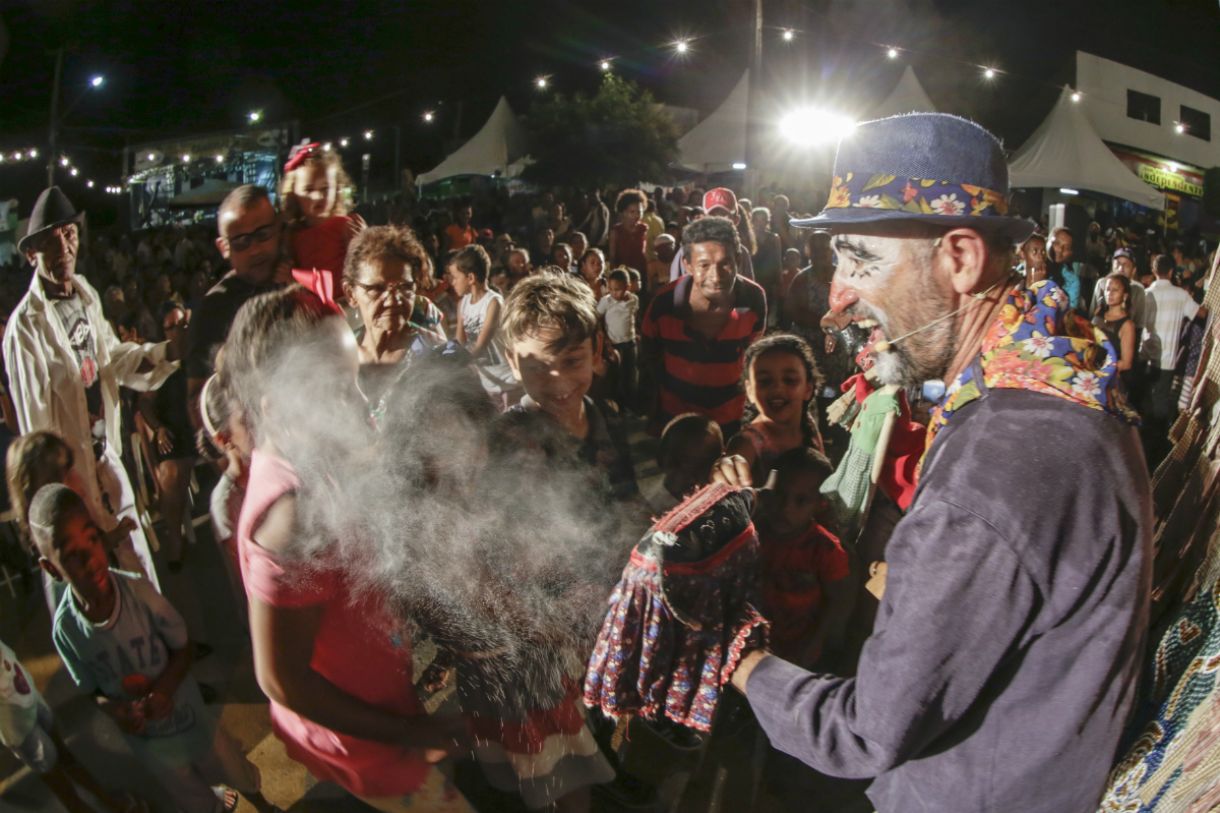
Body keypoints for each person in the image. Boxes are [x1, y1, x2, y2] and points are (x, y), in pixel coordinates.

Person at [724, 113, 1150, 813]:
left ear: (960, 258)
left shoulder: (996, 466)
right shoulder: (1056, 365)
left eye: (860, 260)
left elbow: (864, 732)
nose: (836, 301)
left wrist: (740, 659)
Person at [224, 286, 474, 811]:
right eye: (338, 390)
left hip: (376, 711)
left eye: (355, 377)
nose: (360, 402)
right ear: (279, 405)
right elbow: (280, 678)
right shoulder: (291, 515)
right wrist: (409, 731)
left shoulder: (312, 453)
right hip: (366, 746)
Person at [32, 483, 273, 813]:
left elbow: (183, 646)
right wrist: (113, 709)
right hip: (150, 744)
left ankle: (264, 805)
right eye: (72, 555)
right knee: (194, 799)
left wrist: (164, 690)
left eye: (92, 539)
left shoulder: (138, 592)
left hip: (192, 721)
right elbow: (90, 688)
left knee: (231, 768)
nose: (90, 559)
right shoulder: (67, 631)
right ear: (50, 568)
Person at [4, 187, 175, 593]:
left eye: (69, 234)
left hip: (104, 455)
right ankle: (120, 650)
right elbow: (36, 432)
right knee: (92, 578)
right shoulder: (24, 329)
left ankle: (164, 636)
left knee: (136, 552)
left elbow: (111, 360)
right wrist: (67, 491)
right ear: (32, 253)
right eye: (51, 239)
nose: (63, 246)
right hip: (71, 477)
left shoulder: (85, 294)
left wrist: (167, 351)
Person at [496, 273, 638, 504]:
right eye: (538, 367)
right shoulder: (503, 441)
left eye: (572, 361)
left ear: (596, 349)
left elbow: (629, 498)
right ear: (513, 362)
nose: (559, 381)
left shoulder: (608, 417)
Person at [642, 216, 767, 438]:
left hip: (731, 418)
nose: (716, 276)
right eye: (704, 265)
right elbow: (650, 357)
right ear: (687, 265)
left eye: (725, 263)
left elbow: (751, 355)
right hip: (677, 418)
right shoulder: (663, 304)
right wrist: (654, 409)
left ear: (738, 259)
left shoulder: (754, 298)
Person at [184, 185, 283, 430]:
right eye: (241, 242)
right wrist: (231, 458)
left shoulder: (303, 277)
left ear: (279, 227)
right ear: (223, 247)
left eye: (263, 235)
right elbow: (198, 401)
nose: (255, 249)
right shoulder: (212, 309)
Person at [0, 635, 136, 812]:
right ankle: (94, 806)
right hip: (20, 730)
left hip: (31, 700)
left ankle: (109, 802)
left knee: (65, 757)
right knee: (60, 783)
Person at [756, 447, 851, 669]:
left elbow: (836, 601)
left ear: (820, 504)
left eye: (801, 501)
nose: (785, 508)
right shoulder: (753, 535)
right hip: (754, 644)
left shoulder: (826, 550)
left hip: (800, 650)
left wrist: (816, 642)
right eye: (780, 495)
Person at [341, 226, 446, 423]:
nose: (393, 300)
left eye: (405, 287)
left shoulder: (436, 354)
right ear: (350, 294)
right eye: (377, 289)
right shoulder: (341, 357)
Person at [136, 303, 195, 571]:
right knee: (171, 472)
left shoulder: (198, 350)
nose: (179, 331)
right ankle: (175, 537)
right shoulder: (161, 363)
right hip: (175, 430)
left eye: (183, 323)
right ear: (164, 331)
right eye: (172, 326)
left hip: (204, 426)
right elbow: (145, 404)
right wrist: (158, 427)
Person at [725, 333, 825, 486]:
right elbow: (728, 475)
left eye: (790, 380)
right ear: (750, 391)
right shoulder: (747, 444)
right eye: (765, 381)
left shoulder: (808, 424)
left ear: (808, 389)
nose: (778, 388)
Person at [1142, 253, 1206, 465]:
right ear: (1171, 271)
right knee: (1161, 402)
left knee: (1146, 399)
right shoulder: (1180, 295)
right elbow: (1201, 314)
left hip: (1146, 356)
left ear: (1154, 270)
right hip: (1167, 359)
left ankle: (1143, 442)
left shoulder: (1146, 293)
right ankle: (1157, 450)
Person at [446, 244, 520, 402]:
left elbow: (479, 347)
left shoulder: (493, 303)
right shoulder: (463, 304)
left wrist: (449, 367)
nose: (452, 283)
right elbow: (459, 343)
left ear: (470, 278)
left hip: (509, 382)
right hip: (488, 384)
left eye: (455, 277)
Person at [279, 141, 362, 276]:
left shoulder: (345, 226)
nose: (318, 196)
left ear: (337, 189)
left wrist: (363, 241)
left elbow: (365, 266)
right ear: (293, 194)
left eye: (325, 188)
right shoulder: (292, 235)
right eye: (308, 189)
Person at [642, 412, 724, 515]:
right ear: (664, 460)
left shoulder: (719, 499)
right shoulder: (652, 512)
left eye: (704, 464)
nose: (694, 477)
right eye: (685, 462)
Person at [668, 189, 757, 282]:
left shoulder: (742, 253)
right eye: (713, 215)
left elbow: (748, 292)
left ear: (736, 220)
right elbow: (676, 291)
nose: (717, 221)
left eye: (723, 215)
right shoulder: (688, 252)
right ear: (703, 218)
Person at [597, 267, 639, 412]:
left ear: (627, 287)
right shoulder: (606, 301)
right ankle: (617, 408)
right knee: (616, 377)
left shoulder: (634, 300)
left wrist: (636, 332)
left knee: (631, 375)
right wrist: (605, 340)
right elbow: (597, 319)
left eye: (618, 289)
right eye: (611, 289)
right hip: (614, 345)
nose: (614, 292)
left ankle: (631, 406)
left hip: (630, 343)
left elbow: (633, 317)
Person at [1092, 273, 1139, 393]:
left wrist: (1102, 369)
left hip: (1110, 381)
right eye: (1107, 289)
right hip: (1090, 373)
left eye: (1115, 290)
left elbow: (1126, 363)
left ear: (1125, 296)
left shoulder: (1127, 326)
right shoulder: (1099, 314)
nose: (1110, 293)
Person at [608, 189, 648, 278]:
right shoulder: (616, 231)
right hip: (622, 274)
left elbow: (646, 254)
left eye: (639, 212)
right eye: (632, 212)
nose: (637, 215)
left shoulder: (643, 229)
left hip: (640, 273)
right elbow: (612, 257)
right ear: (624, 212)